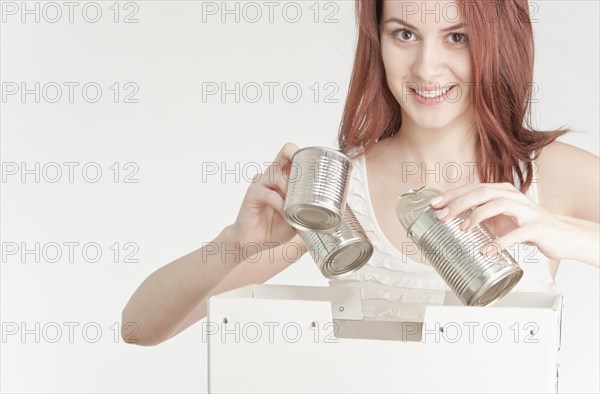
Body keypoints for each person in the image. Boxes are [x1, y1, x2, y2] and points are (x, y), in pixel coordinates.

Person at [121, 0, 599, 345]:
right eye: (404, 34)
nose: (427, 67)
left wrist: (568, 234)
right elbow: (138, 327)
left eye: (457, 37)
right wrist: (236, 244)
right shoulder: (337, 195)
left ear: (497, 41)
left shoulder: (551, 174)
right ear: (379, 43)